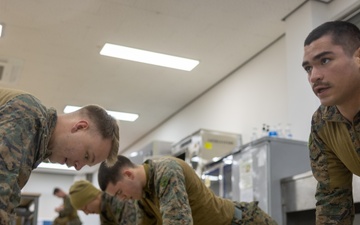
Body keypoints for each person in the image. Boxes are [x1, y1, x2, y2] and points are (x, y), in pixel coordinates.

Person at [0, 87, 120, 224]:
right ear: (80, 127)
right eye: (86, 156)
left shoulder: (37, 144)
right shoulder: (30, 116)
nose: (78, 167)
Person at [98, 155, 278, 225]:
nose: (122, 199)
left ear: (129, 175)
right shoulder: (142, 194)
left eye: (120, 192)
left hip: (243, 222)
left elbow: (179, 223)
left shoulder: (166, 171)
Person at [302, 20, 360, 224]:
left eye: (325, 61)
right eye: (308, 68)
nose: (314, 77)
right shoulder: (322, 124)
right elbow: (332, 200)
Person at [69, 180, 140, 225]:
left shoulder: (116, 200)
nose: (87, 213)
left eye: (85, 208)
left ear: (92, 197)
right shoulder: (103, 209)